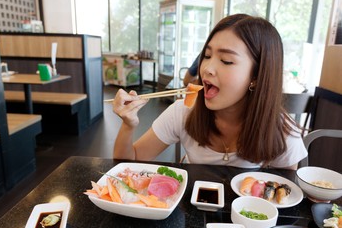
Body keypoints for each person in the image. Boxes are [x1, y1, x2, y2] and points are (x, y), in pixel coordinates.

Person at [112, 14, 307, 170]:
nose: (207, 69)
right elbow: (130, 162)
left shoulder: (281, 130)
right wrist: (128, 125)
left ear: (256, 76)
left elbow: (285, 189)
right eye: (206, 55)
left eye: (226, 61)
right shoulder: (183, 111)